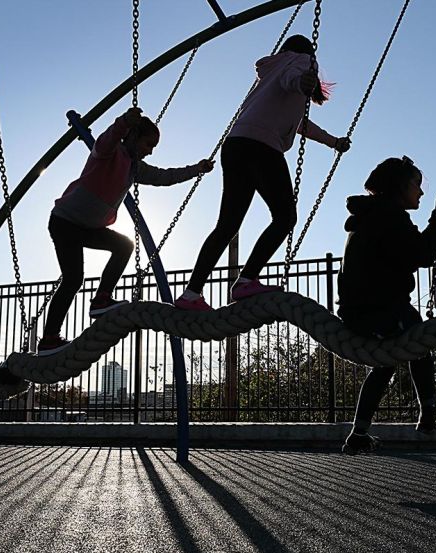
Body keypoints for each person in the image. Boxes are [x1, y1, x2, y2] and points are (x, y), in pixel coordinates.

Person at [174, 34, 351, 311]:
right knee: (285, 217)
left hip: (235, 145)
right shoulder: (302, 63)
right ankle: (246, 280)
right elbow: (293, 77)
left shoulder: (269, 73)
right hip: (262, 147)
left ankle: (191, 294)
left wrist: (332, 141)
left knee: (227, 225)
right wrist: (302, 79)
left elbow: (300, 124)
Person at [38, 107, 214, 352]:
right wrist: (123, 123)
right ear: (132, 136)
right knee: (72, 280)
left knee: (124, 245)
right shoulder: (108, 153)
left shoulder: (134, 168)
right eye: (148, 144)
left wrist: (196, 169)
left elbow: (166, 176)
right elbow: (105, 141)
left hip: (89, 228)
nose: (150, 151)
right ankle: (49, 338)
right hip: (65, 222)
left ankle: (101, 299)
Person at [336, 156, 436, 455]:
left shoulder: (375, 215)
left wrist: (435, 238)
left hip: (361, 311)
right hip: (378, 310)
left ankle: (359, 433)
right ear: (399, 186)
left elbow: (412, 251)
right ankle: (428, 414)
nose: (421, 192)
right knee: (420, 337)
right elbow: (417, 253)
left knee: (386, 361)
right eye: (416, 184)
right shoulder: (388, 216)